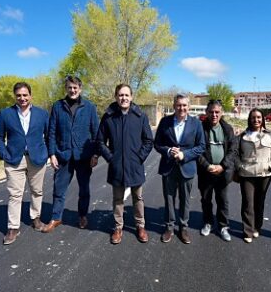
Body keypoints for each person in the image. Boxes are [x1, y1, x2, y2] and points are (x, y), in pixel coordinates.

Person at [0, 82, 50, 245]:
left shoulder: (42, 114)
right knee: (15, 194)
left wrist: (46, 153)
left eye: (25, 95)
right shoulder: (5, 114)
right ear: (15, 96)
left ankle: (36, 219)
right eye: (19, 95)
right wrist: (3, 154)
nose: (22, 98)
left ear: (30, 96)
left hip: (37, 159)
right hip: (14, 160)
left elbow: (49, 135)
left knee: (37, 191)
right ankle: (13, 228)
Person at [97, 84, 153, 244]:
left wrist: (139, 157)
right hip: (117, 166)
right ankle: (118, 228)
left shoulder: (140, 116)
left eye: (126, 95)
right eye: (120, 95)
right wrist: (111, 158)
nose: (124, 98)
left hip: (135, 165)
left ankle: (140, 226)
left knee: (138, 198)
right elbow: (100, 141)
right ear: (116, 97)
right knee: (118, 199)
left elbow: (148, 140)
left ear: (131, 96)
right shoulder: (108, 116)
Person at [42, 75, 99, 233]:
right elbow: (51, 133)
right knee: (58, 190)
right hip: (63, 156)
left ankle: (82, 215)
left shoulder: (89, 107)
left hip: (84, 156)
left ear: (80, 89)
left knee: (84, 190)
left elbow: (96, 133)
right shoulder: (57, 106)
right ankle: (56, 217)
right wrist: (52, 154)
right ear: (66, 89)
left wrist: (95, 154)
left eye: (75, 87)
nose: (72, 90)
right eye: (69, 87)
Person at [154, 94, 205, 244]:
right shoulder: (165, 122)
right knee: (169, 199)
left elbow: (201, 146)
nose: (181, 108)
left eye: (184, 105)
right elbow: (157, 144)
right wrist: (168, 151)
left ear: (188, 107)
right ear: (174, 105)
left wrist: (185, 154)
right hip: (168, 167)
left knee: (185, 200)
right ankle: (169, 227)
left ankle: (183, 227)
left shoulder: (196, 124)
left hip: (187, 167)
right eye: (178, 105)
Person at [235, 108, 271, 243]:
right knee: (248, 202)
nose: (256, 120)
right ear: (249, 119)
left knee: (259, 202)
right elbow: (235, 154)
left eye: (259, 117)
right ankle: (247, 230)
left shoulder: (270, 135)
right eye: (253, 117)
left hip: (265, 174)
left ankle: (256, 227)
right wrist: (239, 167)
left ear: (262, 119)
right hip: (246, 174)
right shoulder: (242, 136)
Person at [196, 100, 236, 242]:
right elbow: (197, 151)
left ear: (221, 113)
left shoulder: (228, 129)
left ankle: (223, 226)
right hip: (206, 172)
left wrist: (222, 166)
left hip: (223, 172)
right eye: (211, 112)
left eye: (217, 112)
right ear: (207, 112)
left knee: (222, 200)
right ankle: (208, 223)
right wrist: (207, 165)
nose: (214, 114)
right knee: (206, 199)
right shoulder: (200, 129)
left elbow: (232, 150)